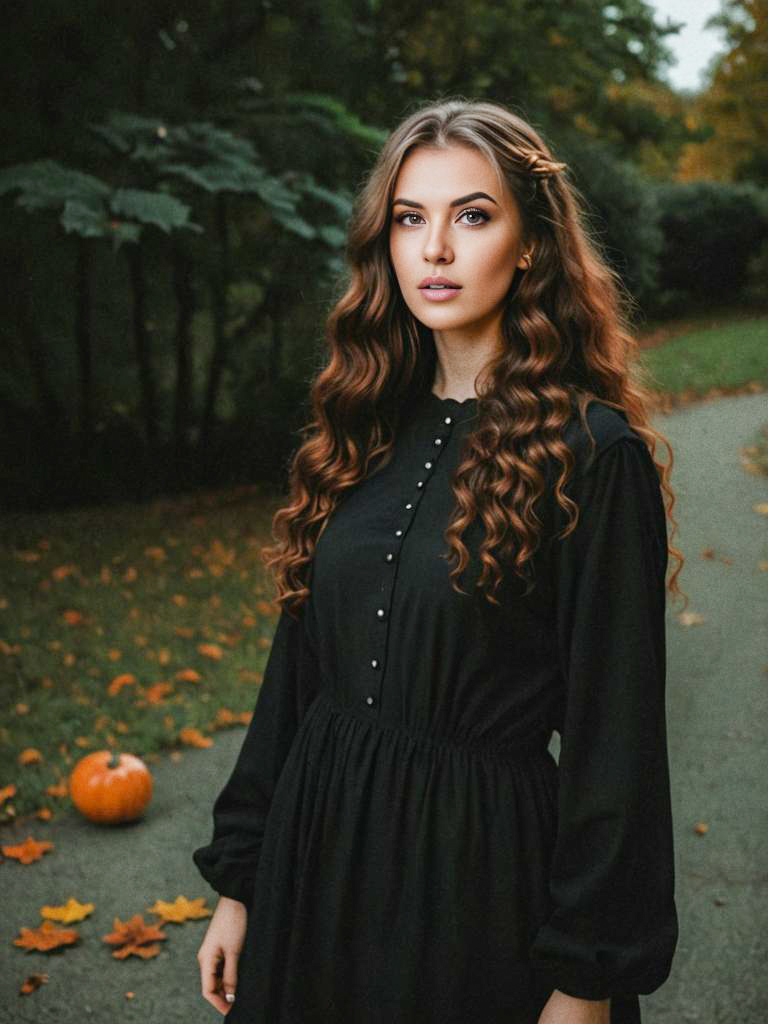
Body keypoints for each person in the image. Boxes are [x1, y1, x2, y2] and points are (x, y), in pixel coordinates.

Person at [192, 97, 682, 1024]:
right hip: (317, 862)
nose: (436, 250)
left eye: (473, 215)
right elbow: (295, 680)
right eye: (411, 219)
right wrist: (241, 882)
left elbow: (615, 746)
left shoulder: (591, 455)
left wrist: (585, 983)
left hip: (473, 885)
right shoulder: (361, 426)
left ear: (531, 242)